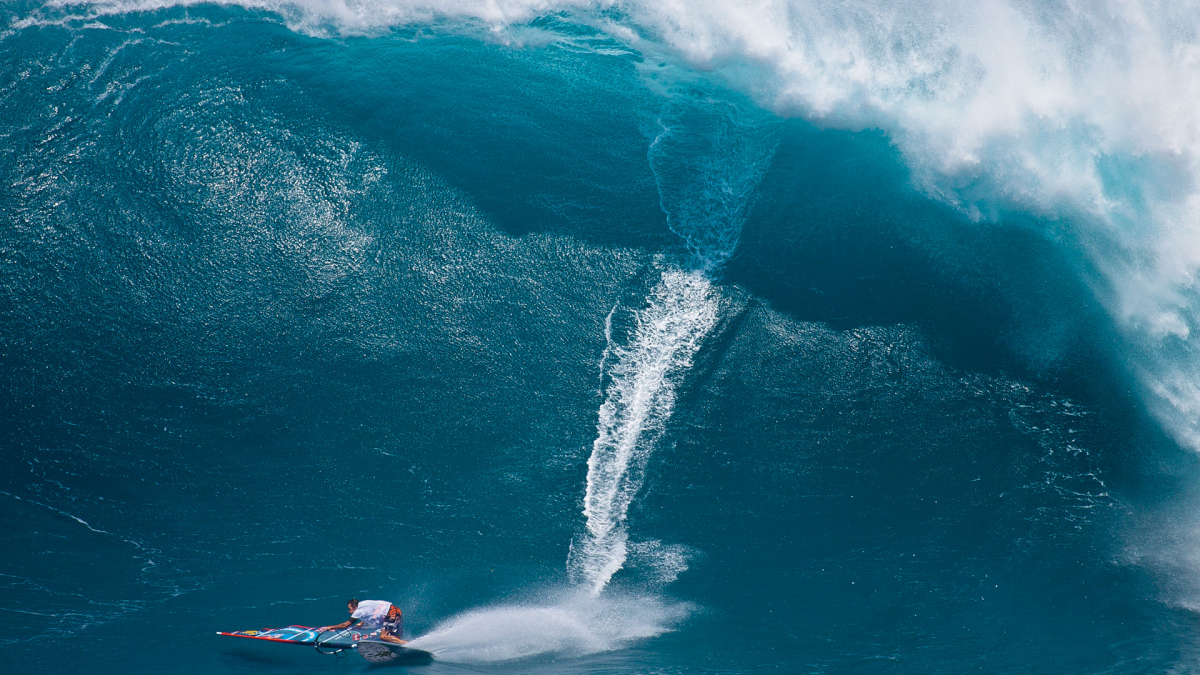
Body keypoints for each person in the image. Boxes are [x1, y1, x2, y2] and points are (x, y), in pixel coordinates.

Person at [318, 598, 406, 644]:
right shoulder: (364, 604)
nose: (349, 612)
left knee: (383, 637)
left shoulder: (359, 611)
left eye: (349, 609)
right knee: (395, 639)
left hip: (391, 614)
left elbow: (345, 625)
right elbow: (373, 612)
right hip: (397, 611)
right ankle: (402, 647)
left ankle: (407, 645)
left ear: (354, 607)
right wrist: (363, 622)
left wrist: (329, 627)